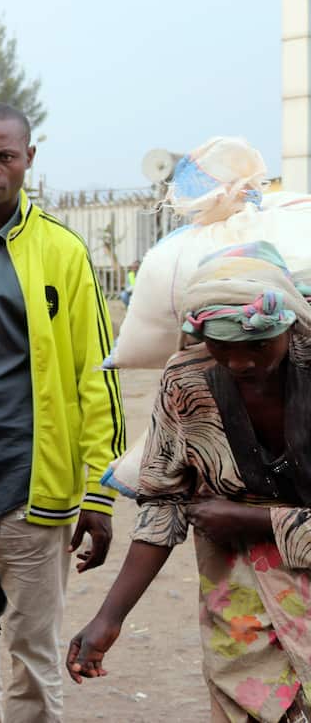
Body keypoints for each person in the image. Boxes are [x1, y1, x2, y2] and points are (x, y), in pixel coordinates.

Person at [0, 102, 125, 723]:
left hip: (30, 485)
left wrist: (101, 492)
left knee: (32, 651)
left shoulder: (61, 252)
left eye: (3, 156)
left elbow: (97, 375)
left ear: (28, 160)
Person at [69, 242, 311, 722]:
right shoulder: (187, 380)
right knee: (250, 707)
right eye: (223, 347)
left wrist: (256, 520)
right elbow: (162, 501)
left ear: (290, 325)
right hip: (237, 586)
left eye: (259, 345)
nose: (242, 363)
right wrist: (109, 617)